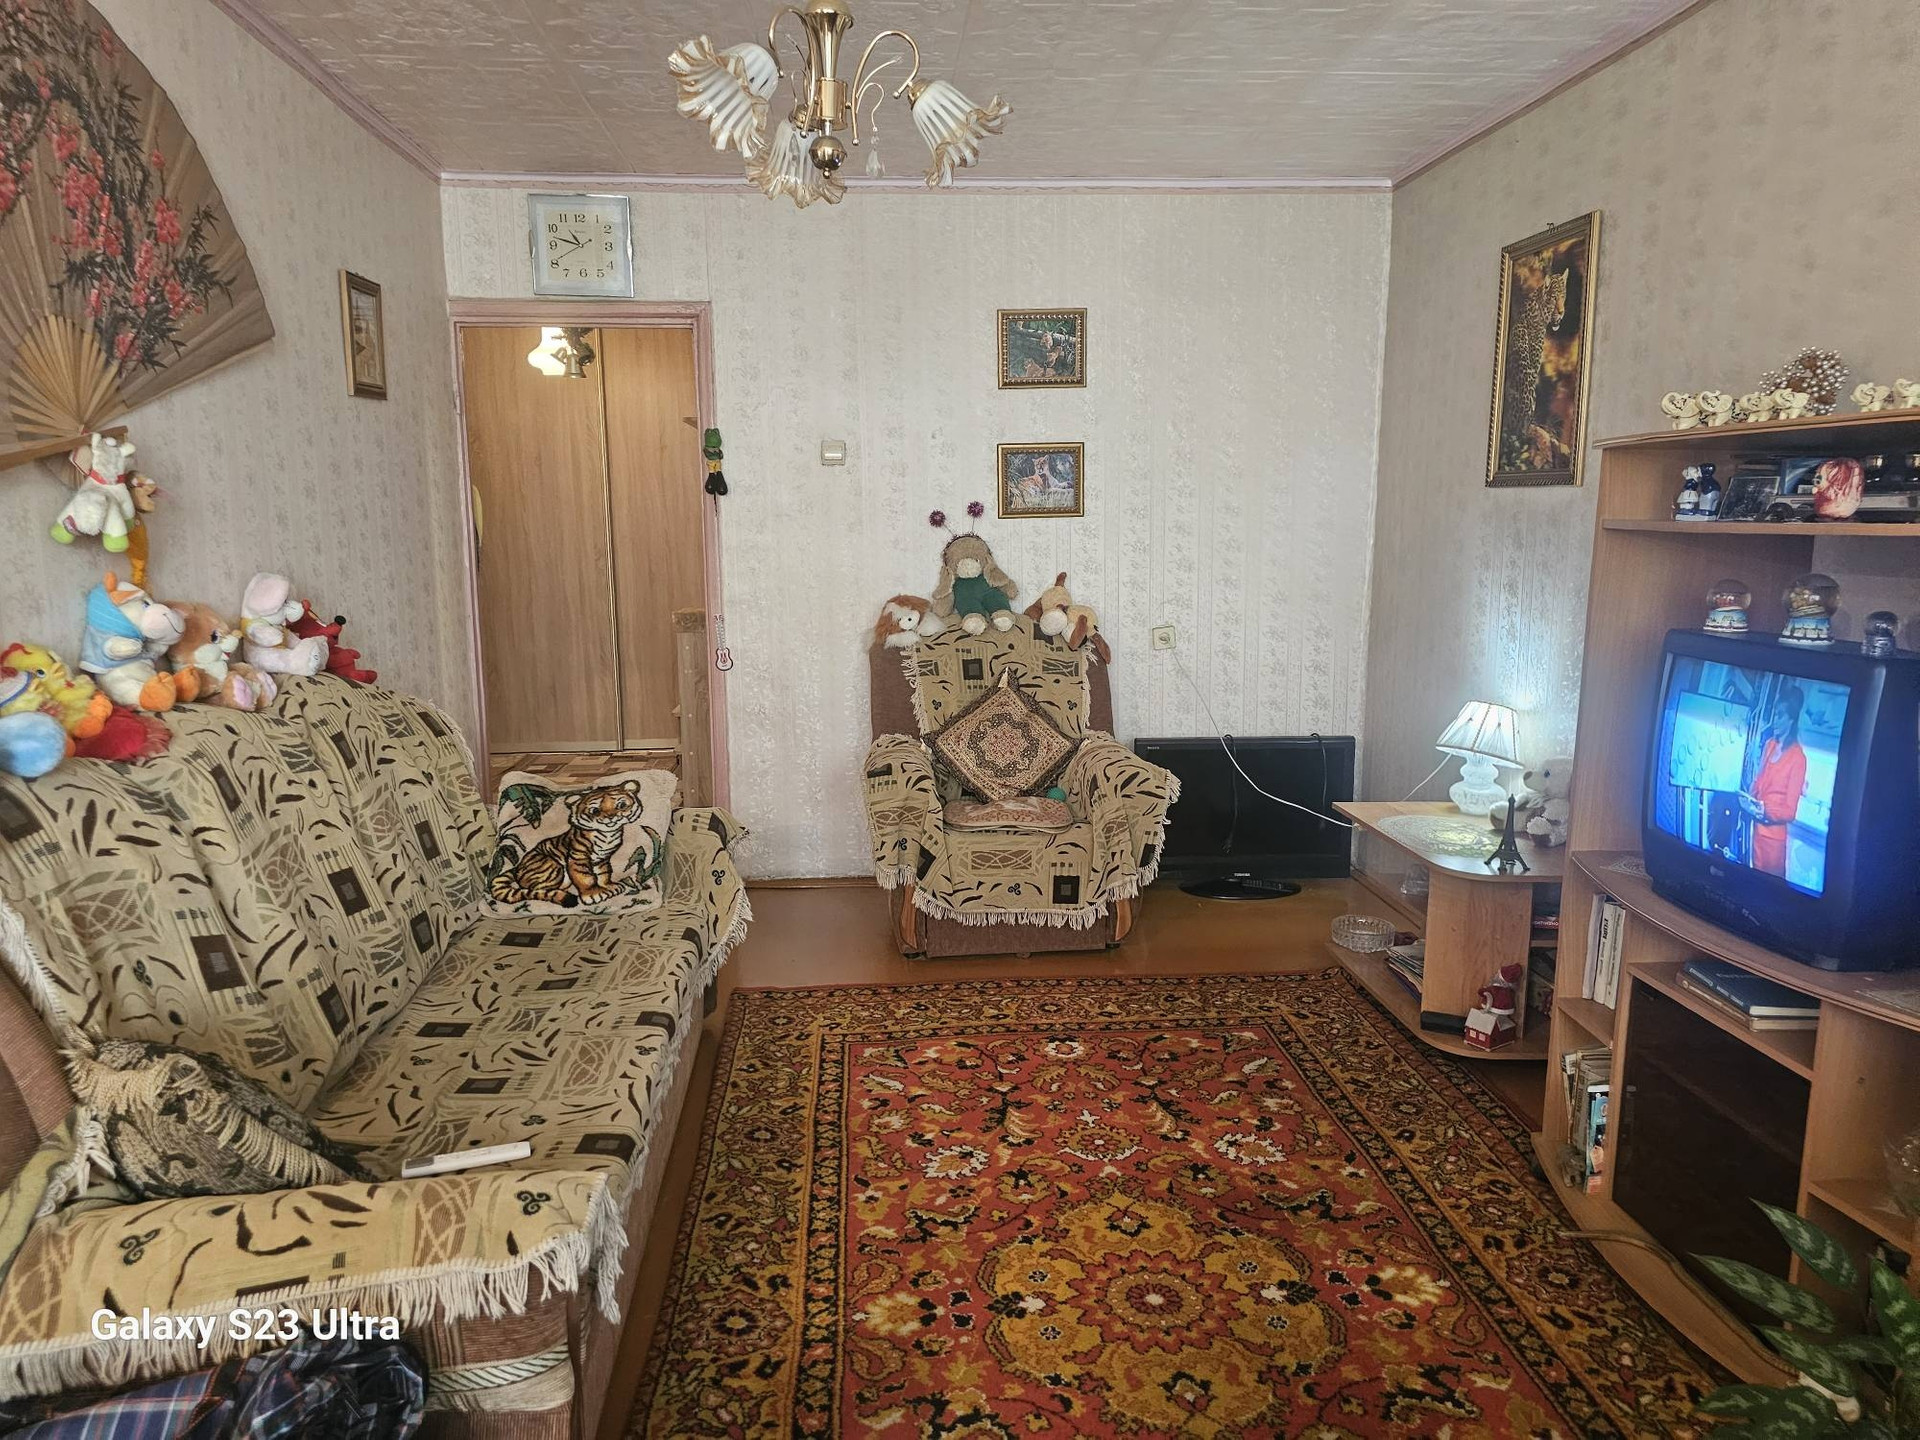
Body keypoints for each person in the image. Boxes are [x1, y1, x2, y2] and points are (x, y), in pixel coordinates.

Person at [1740, 686, 1807, 877]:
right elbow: (1759, 781)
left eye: (1780, 716)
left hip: (1773, 842)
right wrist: (1748, 799)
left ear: (1791, 719)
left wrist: (1764, 809)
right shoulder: (1770, 745)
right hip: (1757, 832)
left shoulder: (1798, 758)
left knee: (1769, 888)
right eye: (1774, 714)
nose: (1774, 721)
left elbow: (1790, 812)